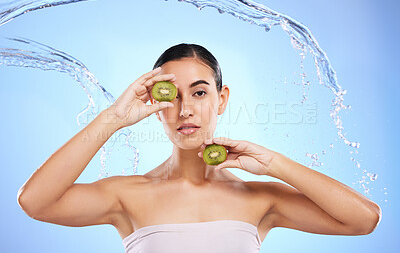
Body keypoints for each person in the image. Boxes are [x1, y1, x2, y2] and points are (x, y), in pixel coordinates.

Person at [17, 43, 381, 253]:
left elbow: (364, 220)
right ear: (153, 105)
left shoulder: (260, 198)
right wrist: (114, 117)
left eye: (199, 92)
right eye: (170, 95)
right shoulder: (126, 195)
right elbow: (36, 202)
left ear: (221, 100)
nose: (185, 108)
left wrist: (274, 164)